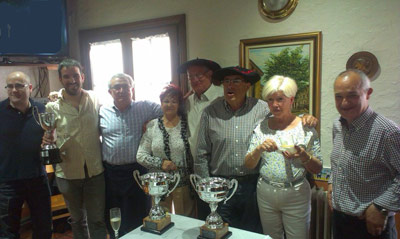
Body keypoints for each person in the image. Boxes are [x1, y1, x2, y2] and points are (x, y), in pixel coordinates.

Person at [195, 66, 318, 232]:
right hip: (220, 185)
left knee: (251, 233)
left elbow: (285, 116)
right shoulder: (210, 113)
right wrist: (206, 190)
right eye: (226, 81)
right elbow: (201, 153)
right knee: (220, 232)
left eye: (236, 81)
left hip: (252, 186)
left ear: (247, 85)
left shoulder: (263, 108)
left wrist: (305, 117)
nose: (230, 85)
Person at [244, 75, 322, 239]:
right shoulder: (261, 127)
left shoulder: (305, 127)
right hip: (266, 191)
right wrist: (259, 149)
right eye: (270, 100)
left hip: (296, 192)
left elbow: (318, 167)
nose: (274, 104)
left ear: (291, 100)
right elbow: (249, 164)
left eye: (280, 99)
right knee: (270, 237)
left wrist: (304, 156)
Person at [328, 69, 400, 239]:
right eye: (339, 96)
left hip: (371, 226)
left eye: (352, 95)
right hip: (340, 220)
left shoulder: (387, 132)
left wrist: (381, 207)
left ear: (368, 93)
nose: (344, 103)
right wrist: (331, 183)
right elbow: (339, 162)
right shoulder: (337, 126)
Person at [45, 59, 107, 239]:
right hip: (67, 173)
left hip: (95, 172)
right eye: (66, 76)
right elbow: (47, 135)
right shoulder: (52, 106)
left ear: (83, 77)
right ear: (60, 79)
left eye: (75, 75)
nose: (72, 80)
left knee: (97, 220)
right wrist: (47, 140)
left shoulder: (95, 99)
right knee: (77, 220)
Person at [99, 73, 162, 238]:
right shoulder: (101, 111)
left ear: (132, 89)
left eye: (125, 86)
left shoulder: (145, 107)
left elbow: (170, 108)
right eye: (116, 87)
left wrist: (152, 126)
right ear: (109, 91)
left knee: (138, 215)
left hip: (137, 172)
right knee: (114, 216)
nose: (121, 90)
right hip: (110, 174)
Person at [0, 71, 52, 239]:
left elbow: (52, 137)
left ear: (30, 88)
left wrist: (50, 140)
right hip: (7, 181)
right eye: (10, 86)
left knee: (43, 227)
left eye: (19, 86)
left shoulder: (42, 110)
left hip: (37, 178)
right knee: (8, 231)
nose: (14, 90)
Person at [137, 84, 195, 217]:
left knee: (185, 221)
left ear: (179, 104)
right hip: (159, 183)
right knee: (161, 221)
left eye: (174, 101)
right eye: (166, 101)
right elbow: (140, 155)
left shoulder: (187, 124)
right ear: (161, 103)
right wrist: (160, 163)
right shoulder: (152, 125)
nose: (169, 104)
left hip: (184, 183)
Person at [178, 58, 223, 220]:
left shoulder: (222, 97)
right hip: (196, 167)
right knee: (203, 214)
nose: (195, 80)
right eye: (191, 76)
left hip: (218, 166)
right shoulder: (187, 102)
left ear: (210, 75)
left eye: (199, 75)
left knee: (222, 215)